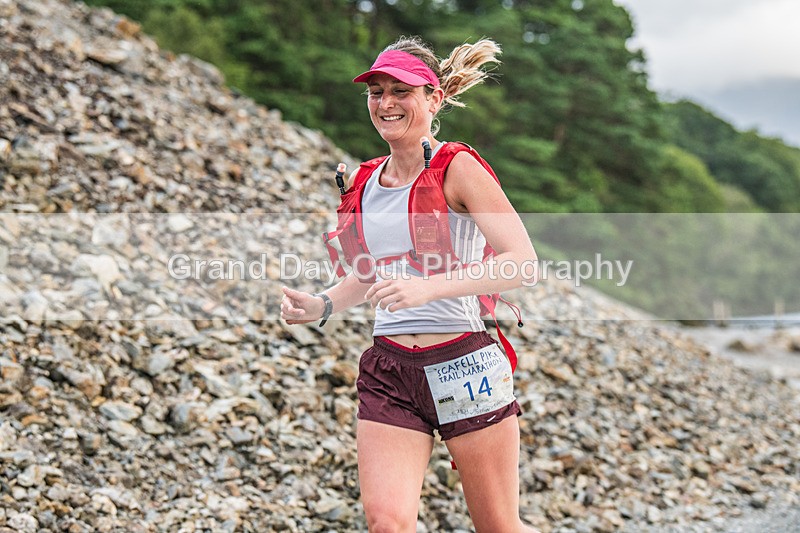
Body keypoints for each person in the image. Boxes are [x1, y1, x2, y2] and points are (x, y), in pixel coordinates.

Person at [281, 35, 539, 533]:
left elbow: (522, 263)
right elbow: (368, 275)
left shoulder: (458, 167)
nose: (386, 103)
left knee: (499, 528)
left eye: (401, 91)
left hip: (464, 362)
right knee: (387, 523)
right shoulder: (362, 181)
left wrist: (428, 288)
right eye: (376, 92)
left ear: (433, 98)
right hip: (390, 369)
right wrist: (320, 304)